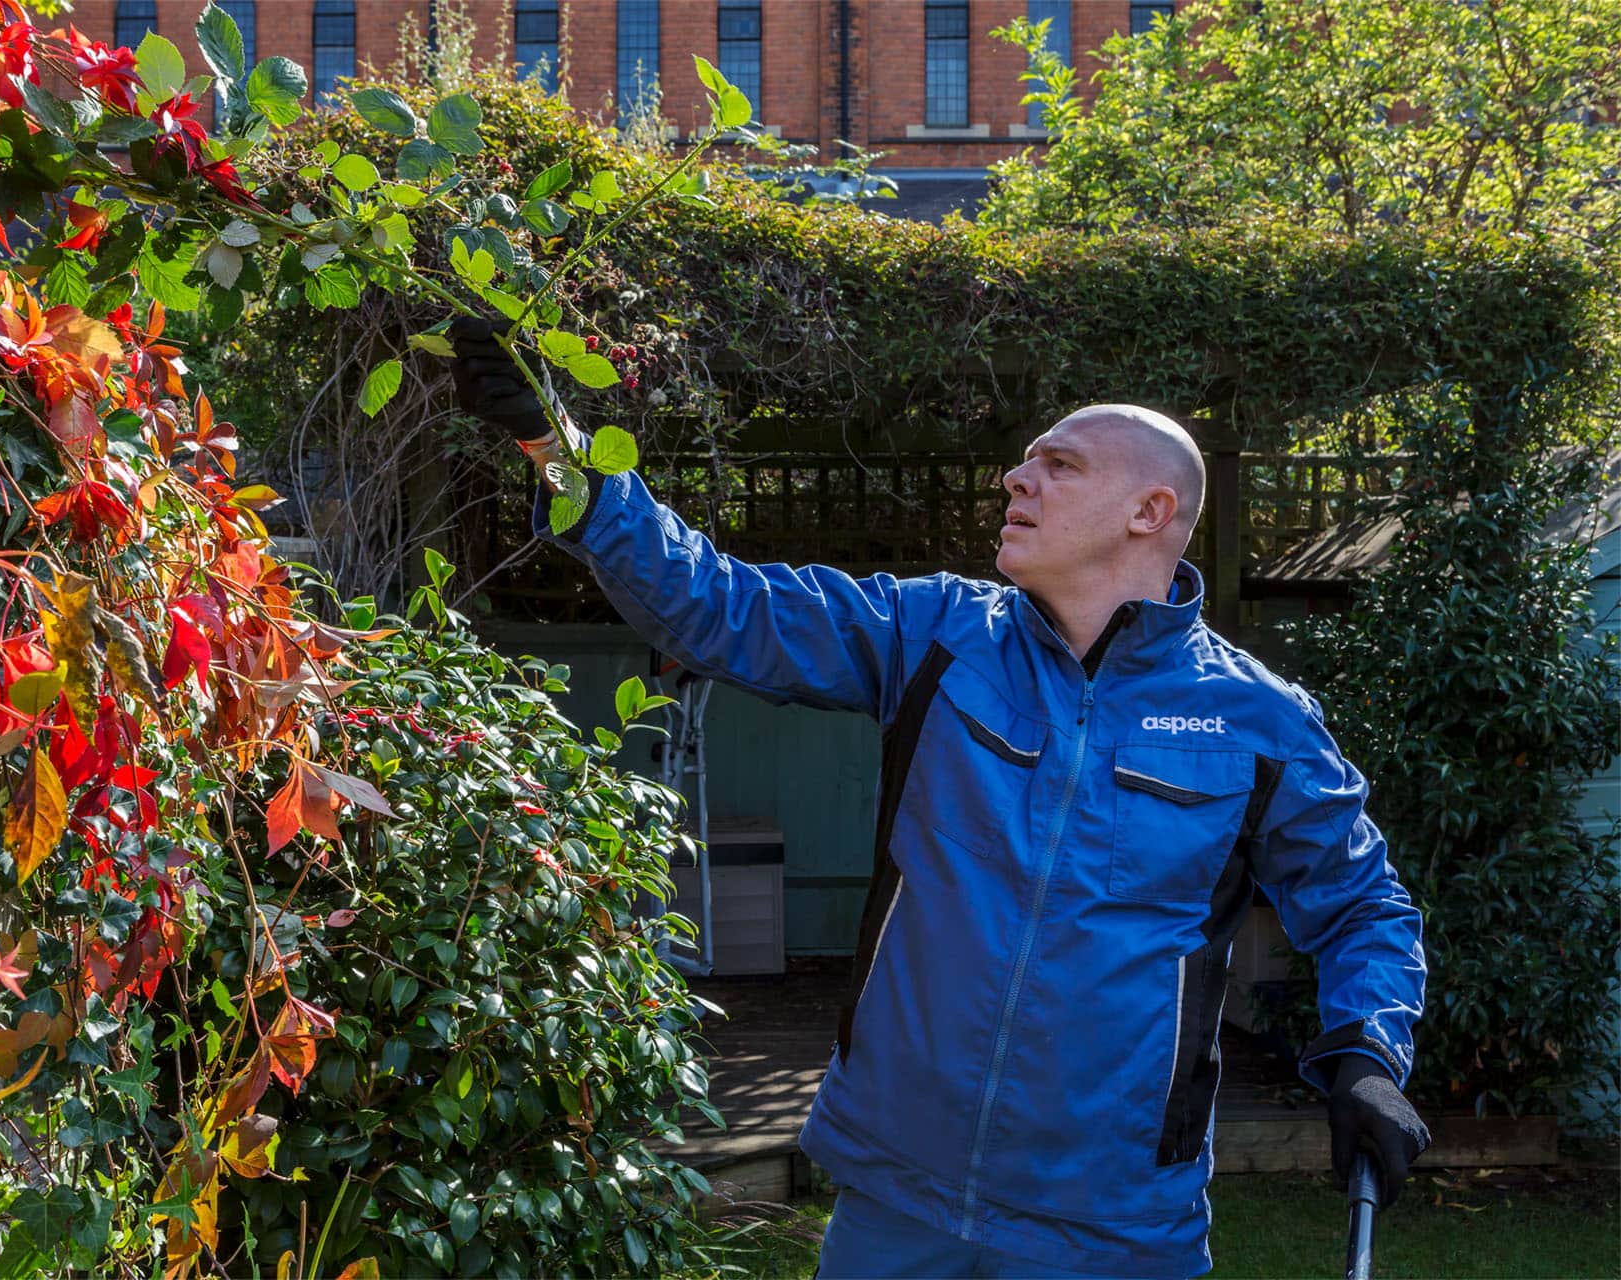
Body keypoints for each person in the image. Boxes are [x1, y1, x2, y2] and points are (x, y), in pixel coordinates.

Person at [448, 316, 1432, 1279]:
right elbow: (719, 603)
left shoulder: (1257, 720)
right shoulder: (936, 635)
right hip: (899, 1193)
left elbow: (1363, 904)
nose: (1019, 475)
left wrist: (1367, 1054)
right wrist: (561, 448)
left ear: (1149, 512)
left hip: (1115, 1222)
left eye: (1060, 464)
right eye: (1025, 461)